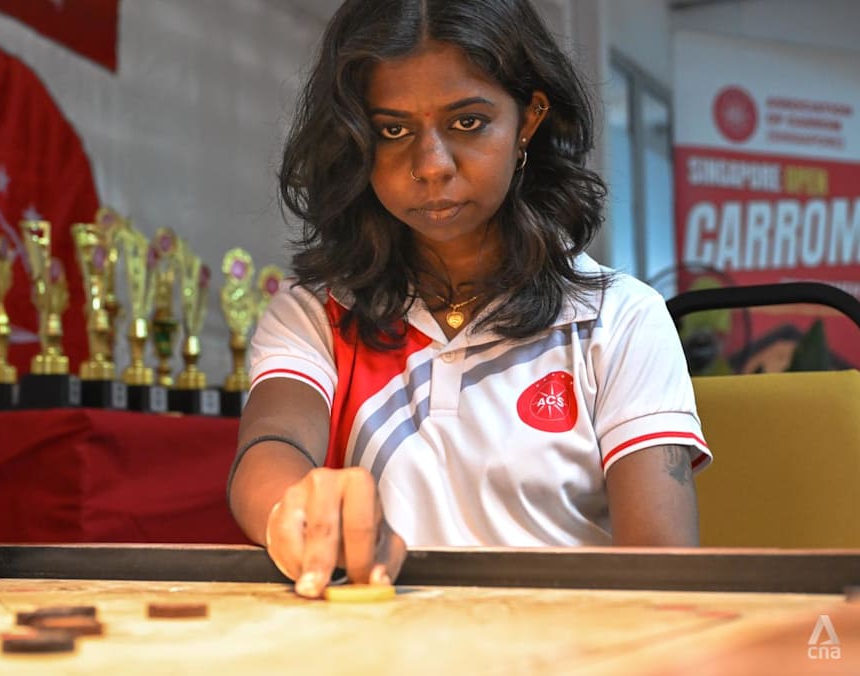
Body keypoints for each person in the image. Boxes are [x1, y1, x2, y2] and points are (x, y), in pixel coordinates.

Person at [226, 0, 712, 600]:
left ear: (529, 118)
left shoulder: (620, 318)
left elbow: (662, 578)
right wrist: (293, 511)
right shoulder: (316, 314)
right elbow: (271, 447)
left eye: (467, 123)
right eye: (393, 130)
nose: (431, 166)